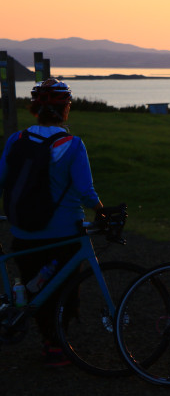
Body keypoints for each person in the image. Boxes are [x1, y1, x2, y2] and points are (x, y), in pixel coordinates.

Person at [0, 78, 103, 367]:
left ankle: (49, 343)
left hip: (22, 231)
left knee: (35, 291)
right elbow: (86, 192)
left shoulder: (16, 140)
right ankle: (57, 344)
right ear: (65, 109)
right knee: (65, 291)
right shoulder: (72, 145)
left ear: (35, 109)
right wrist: (103, 212)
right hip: (64, 234)